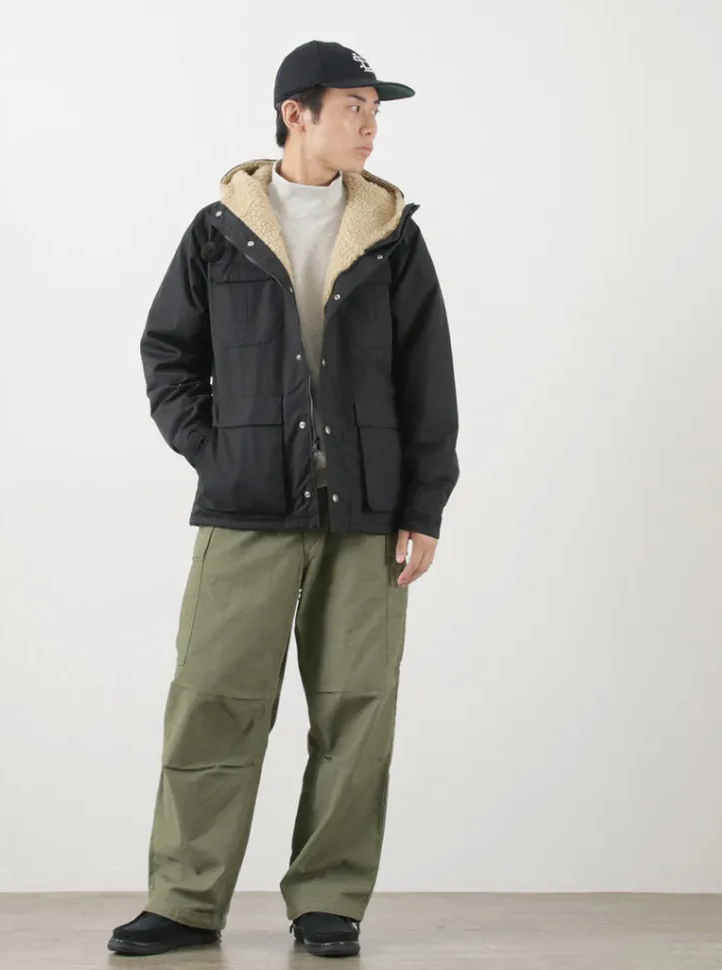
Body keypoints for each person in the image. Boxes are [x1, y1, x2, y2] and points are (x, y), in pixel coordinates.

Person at [107, 39, 459, 959]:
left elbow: (428, 380)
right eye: (354, 107)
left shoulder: (393, 234)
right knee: (212, 702)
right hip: (246, 511)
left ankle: (329, 902)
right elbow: (168, 355)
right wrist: (218, 453)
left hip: (367, 515)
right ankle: (186, 901)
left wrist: (424, 507)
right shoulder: (219, 229)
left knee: (356, 713)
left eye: (375, 109)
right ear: (294, 113)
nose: (371, 125)